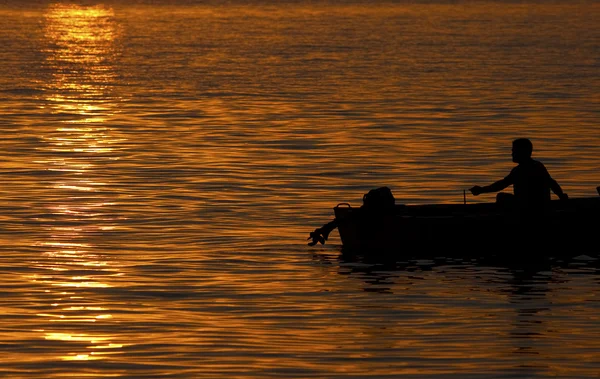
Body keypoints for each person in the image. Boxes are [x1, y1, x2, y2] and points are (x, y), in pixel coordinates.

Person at [470, 138, 568, 213]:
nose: (512, 154)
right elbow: (552, 182)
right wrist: (561, 196)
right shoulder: (538, 166)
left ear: (522, 152)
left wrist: (481, 190)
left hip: (528, 208)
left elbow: (501, 185)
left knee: (501, 197)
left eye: (514, 151)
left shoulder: (519, 170)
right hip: (540, 206)